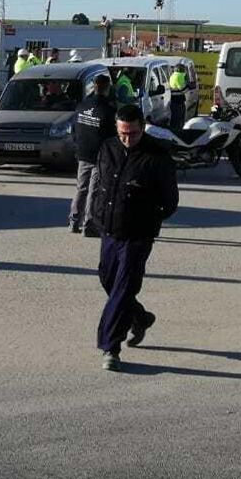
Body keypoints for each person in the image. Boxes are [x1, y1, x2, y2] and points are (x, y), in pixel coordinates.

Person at [91, 105, 179, 371]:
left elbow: (170, 201)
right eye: (122, 133)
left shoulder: (157, 156)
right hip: (109, 229)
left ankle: (110, 347)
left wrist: (149, 219)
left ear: (143, 127)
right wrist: (95, 211)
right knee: (108, 279)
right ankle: (140, 318)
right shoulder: (108, 148)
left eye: (133, 133)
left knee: (122, 289)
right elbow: (98, 182)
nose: (127, 138)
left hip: (138, 235)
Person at [71, 74, 117, 236]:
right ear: (107, 88)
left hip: (83, 152)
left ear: (93, 86)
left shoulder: (82, 105)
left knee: (81, 188)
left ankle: (74, 221)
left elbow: (74, 128)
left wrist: (78, 145)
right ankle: (89, 225)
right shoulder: (109, 110)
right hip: (99, 155)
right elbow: (113, 136)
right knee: (94, 190)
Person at [167, 63, 190, 128]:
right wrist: (188, 86)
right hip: (178, 102)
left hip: (174, 101)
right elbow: (183, 89)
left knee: (174, 120)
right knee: (179, 121)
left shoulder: (172, 76)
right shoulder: (179, 76)